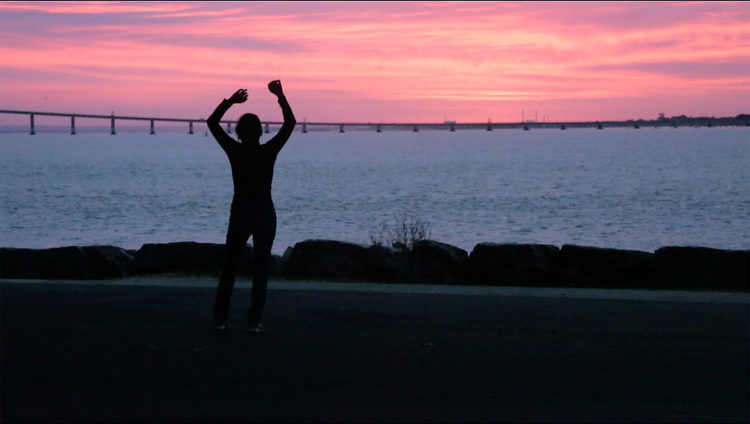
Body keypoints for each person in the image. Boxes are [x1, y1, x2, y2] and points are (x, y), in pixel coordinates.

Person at [207, 80, 296, 333]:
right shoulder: (269, 151)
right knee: (260, 270)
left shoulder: (235, 151)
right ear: (260, 132)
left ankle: (220, 318)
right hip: (265, 213)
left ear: (239, 133)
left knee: (230, 268)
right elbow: (289, 124)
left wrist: (229, 102)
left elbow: (212, 123)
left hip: (240, 213)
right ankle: (254, 320)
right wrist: (279, 95)